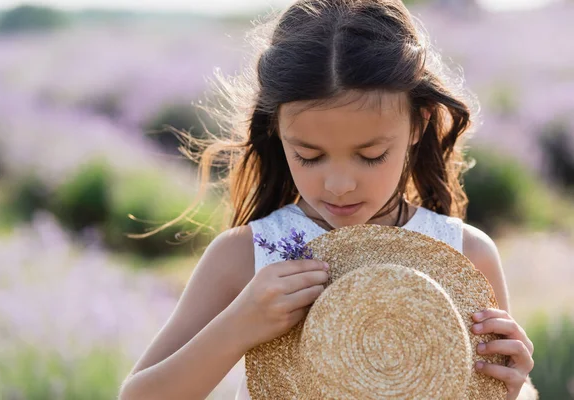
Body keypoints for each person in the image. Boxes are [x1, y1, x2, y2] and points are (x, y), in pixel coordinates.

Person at [118, 1, 536, 399]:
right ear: (276, 128)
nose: (338, 184)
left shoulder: (466, 256)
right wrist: (236, 327)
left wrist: (511, 387)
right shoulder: (244, 257)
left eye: (371, 156)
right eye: (309, 155)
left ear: (417, 123)